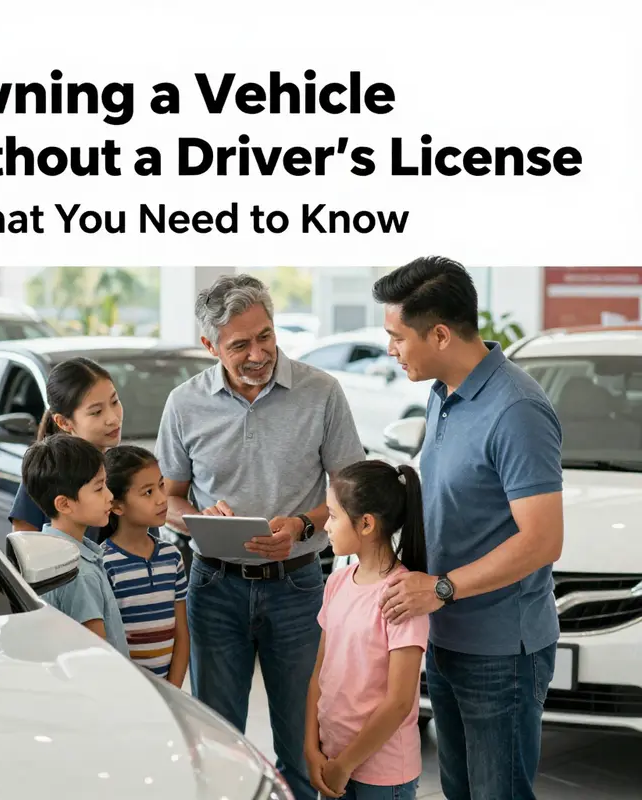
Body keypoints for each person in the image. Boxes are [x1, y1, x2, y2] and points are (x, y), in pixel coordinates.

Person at [155, 273, 365, 800]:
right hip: (214, 588)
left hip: (298, 588)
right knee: (220, 741)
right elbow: (169, 500)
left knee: (300, 744)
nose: (258, 353)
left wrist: (303, 524)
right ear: (210, 346)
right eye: (240, 344)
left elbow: (351, 492)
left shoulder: (322, 392)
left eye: (265, 336)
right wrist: (201, 519)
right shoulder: (184, 404)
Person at [372, 257, 564, 800]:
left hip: (501, 651)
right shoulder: (443, 396)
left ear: (439, 333)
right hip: (446, 636)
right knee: (459, 790)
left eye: (397, 337)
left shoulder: (516, 409)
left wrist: (441, 587)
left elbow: (542, 540)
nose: (391, 349)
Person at [305, 460, 429, 800]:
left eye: (332, 515)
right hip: (332, 759)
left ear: (366, 524)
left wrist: (346, 764)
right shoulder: (337, 581)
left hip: (382, 774)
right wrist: (312, 747)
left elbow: (399, 702)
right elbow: (319, 673)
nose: (326, 526)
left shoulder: (403, 595)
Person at [21, 433, 129, 656]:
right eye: (99, 488)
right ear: (64, 504)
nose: (109, 496)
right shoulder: (80, 574)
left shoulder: (45, 555)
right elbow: (96, 659)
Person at [101, 445, 189, 687]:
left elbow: (182, 634)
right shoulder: (104, 563)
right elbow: (107, 642)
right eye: (148, 492)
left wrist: (173, 690)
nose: (162, 498)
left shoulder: (172, 557)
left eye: (161, 485)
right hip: (126, 692)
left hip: (167, 691)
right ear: (116, 506)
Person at [9, 357, 123, 540]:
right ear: (63, 422)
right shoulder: (47, 472)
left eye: (115, 402)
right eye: (96, 412)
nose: (113, 419)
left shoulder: (127, 468)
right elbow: (24, 549)